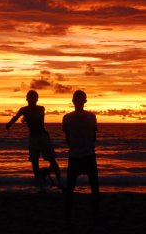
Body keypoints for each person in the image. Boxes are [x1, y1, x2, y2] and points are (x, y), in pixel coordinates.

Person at [6, 90, 63, 189]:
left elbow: (36, 117)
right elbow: (15, 117)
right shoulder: (23, 109)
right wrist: (9, 124)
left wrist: (26, 118)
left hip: (43, 137)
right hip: (33, 138)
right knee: (34, 161)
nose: (32, 100)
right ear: (27, 99)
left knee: (52, 160)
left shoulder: (41, 108)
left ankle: (59, 181)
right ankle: (39, 183)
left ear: (37, 99)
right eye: (30, 98)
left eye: (34, 98)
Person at [62, 90, 100, 225]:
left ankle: (68, 219)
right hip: (89, 155)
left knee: (70, 189)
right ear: (85, 101)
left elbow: (67, 138)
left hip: (74, 156)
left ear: (73, 101)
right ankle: (96, 218)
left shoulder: (66, 118)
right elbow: (93, 137)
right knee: (94, 188)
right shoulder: (92, 116)